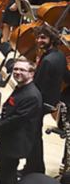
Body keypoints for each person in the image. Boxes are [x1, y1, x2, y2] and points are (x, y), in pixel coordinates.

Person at [0, 58, 42, 184]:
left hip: (15, 142)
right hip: (9, 138)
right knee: (4, 174)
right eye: (15, 69)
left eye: (22, 70)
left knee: (6, 176)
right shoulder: (22, 88)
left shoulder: (31, 95)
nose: (17, 72)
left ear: (31, 74)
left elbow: (16, 120)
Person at [25, 24, 70, 175]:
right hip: (53, 100)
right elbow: (67, 77)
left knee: (33, 137)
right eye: (38, 37)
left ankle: (33, 169)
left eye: (43, 38)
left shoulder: (47, 61)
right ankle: (36, 168)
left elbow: (38, 88)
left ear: (52, 38)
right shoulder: (59, 55)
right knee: (35, 136)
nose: (39, 40)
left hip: (41, 103)